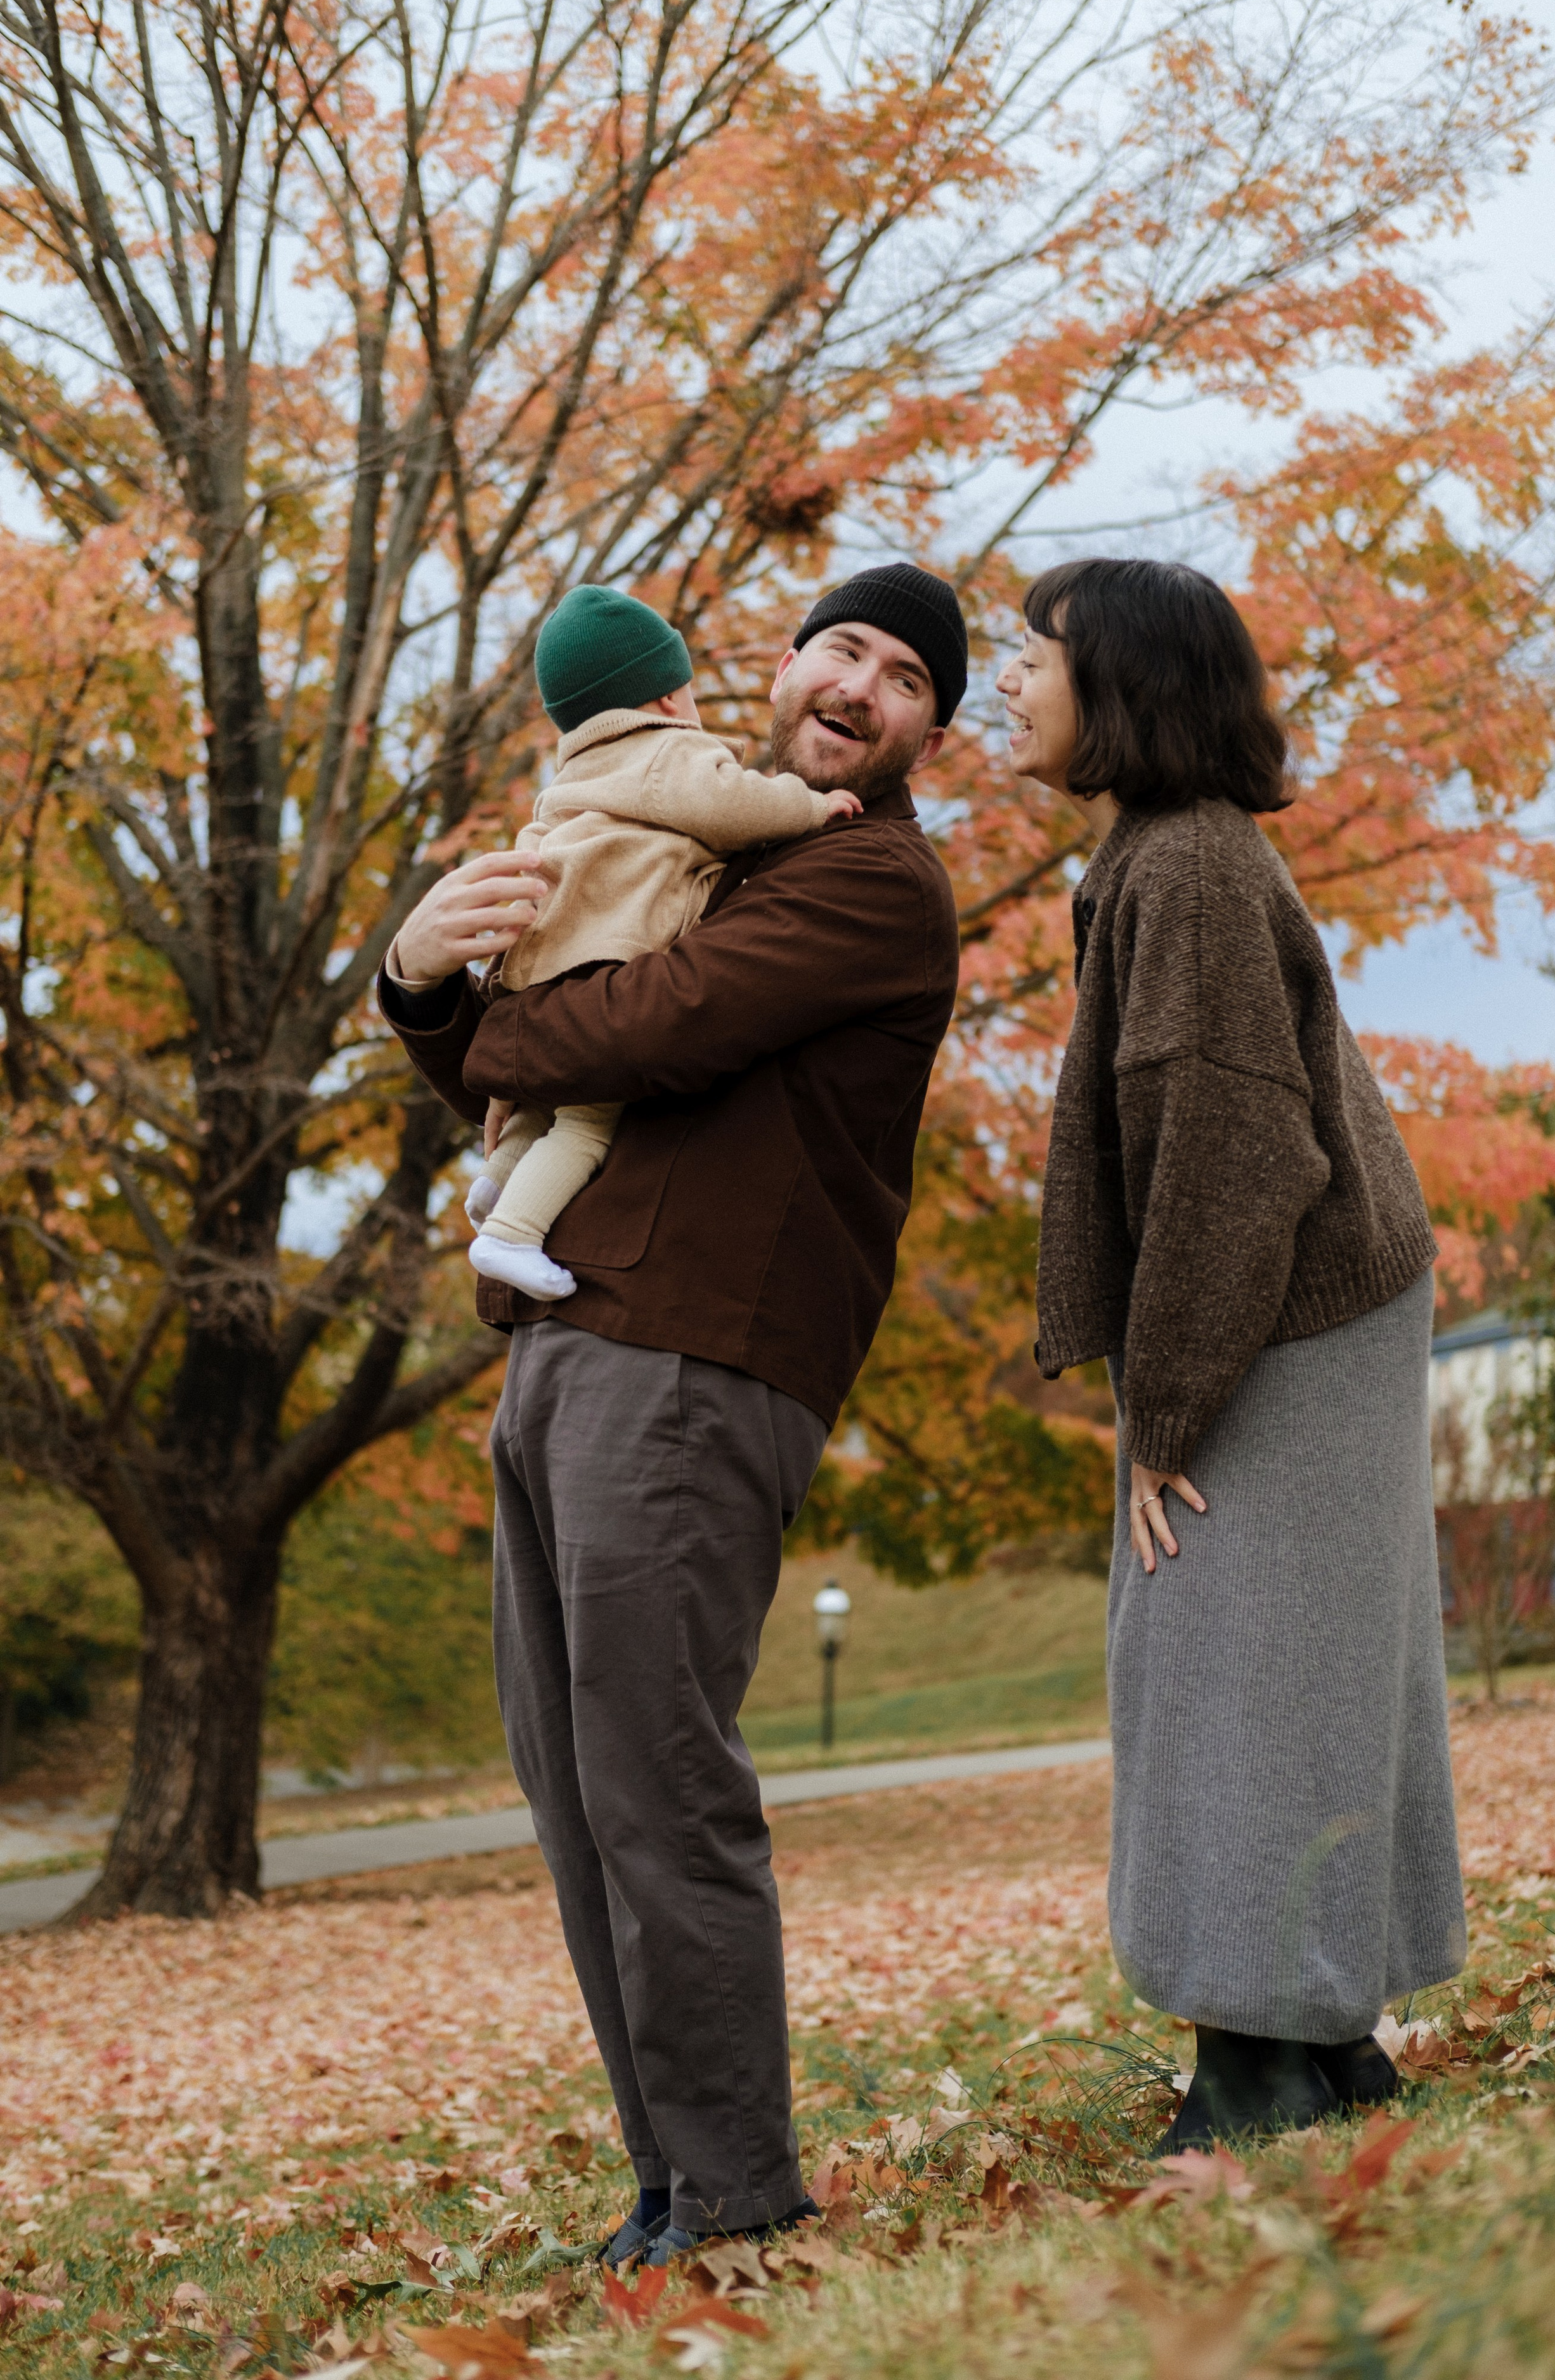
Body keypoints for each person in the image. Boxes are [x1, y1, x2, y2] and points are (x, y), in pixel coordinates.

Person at [381, 564, 965, 2258]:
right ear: (776, 671)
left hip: (701, 1362)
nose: (863, 685)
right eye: (844, 647)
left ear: (926, 732)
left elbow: (651, 1027)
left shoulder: (870, 877)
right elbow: (553, 1050)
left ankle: (734, 2191)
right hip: (568, 1340)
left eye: (910, 677)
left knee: (657, 1783)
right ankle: (667, 2176)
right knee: (574, 1791)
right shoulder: (697, 851)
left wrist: (445, 997)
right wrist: (428, 989)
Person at [1000, 556, 1464, 2151]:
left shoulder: (1185, 868)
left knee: (1231, 1673)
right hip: (1298, 1304)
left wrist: (1167, 1415)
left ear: (1118, 682)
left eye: (1033, 656)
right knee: (1284, 1665)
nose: (1010, 683)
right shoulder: (1158, 854)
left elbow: (1229, 1155)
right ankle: (1324, 2043)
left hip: (1288, 1314)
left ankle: (1262, 2070)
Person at [455, 584, 859, 1301]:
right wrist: (810, 805)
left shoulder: (573, 777)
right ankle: (512, 1231)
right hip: (603, 960)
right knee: (588, 1119)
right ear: (668, 698)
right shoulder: (668, 753)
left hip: (541, 960)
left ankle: (495, 1180)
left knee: (545, 1104)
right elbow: (732, 805)